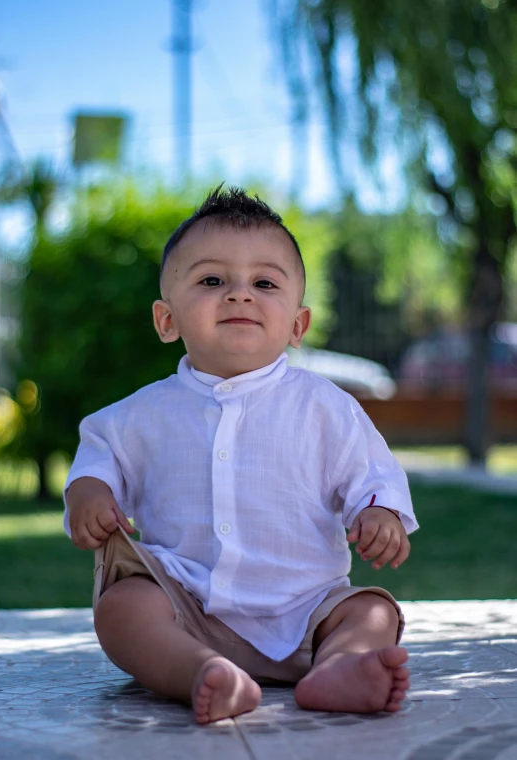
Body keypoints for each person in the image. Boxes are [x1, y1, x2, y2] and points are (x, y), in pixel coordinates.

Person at [64, 185, 418, 725]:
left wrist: (379, 512)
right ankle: (201, 671)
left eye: (264, 283)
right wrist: (89, 492)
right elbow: (98, 457)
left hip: (307, 611)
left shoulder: (325, 406)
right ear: (167, 320)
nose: (239, 295)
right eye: (211, 281)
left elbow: (372, 474)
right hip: (186, 607)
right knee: (122, 607)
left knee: (371, 610)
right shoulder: (140, 414)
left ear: (297, 325)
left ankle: (340, 667)